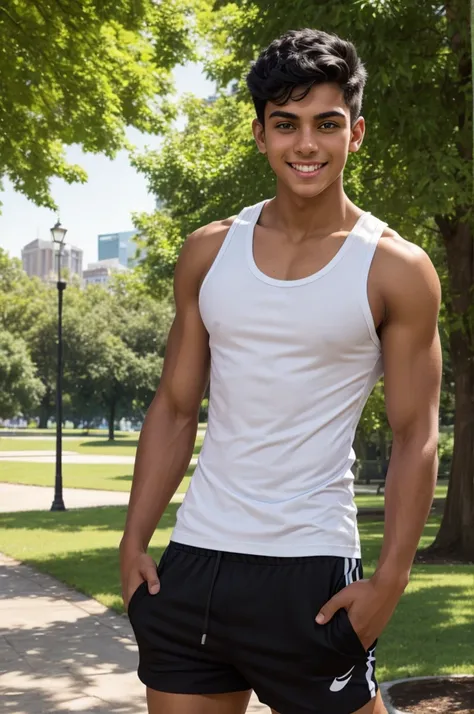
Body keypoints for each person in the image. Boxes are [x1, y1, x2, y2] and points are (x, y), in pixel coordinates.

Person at [120, 28, 442, 714]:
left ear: (355, 134)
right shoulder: (208, 252)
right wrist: (133, 542)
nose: (306, 145)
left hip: (312, 572)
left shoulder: (396, 267)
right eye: (286, 124)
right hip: (195, 565)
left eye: (327, 124)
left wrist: (389, 581)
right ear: (260, 135)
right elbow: (176, 408)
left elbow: (416, 433)